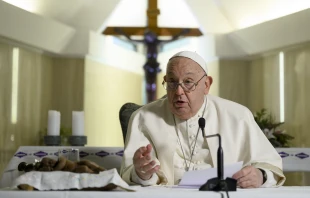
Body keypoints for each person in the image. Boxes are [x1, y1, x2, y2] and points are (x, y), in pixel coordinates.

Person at [120, 51, 286, 188]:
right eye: (172, 82)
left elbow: (269, 166)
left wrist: (260, 175)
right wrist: (142, 173)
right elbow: (134, 175)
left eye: (188, 82)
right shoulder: (143, 118)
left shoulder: (238, 116)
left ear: (206, 84)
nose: (178, 92)